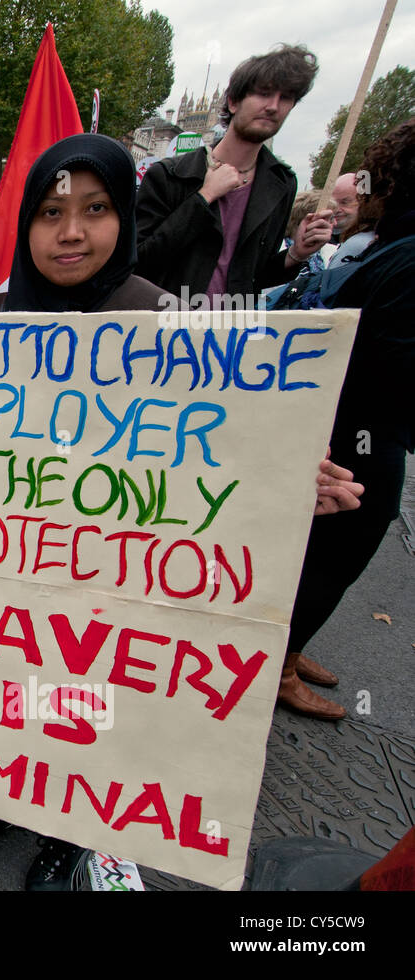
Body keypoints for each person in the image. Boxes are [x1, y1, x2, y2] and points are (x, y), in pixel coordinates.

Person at [0, 132, 363, 887]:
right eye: (51, 211)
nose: (71, 232)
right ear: (24, 224)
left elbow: (230, 448)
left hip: (115, 577)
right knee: (7, 680)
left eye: (95, 209)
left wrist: (287, 478)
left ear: (124, 217)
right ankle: (3, 795)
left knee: (91, 697)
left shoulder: (172, 327)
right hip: (10, 571)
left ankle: (74, 824)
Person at [283, 117, 415, 718]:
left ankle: (288, 646)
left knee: (323, 552)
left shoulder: (393, 244)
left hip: (350, 422)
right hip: (362, 429)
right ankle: (278, 665)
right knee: (335, 551)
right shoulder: (404, 253)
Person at [136, 45, 333, 302]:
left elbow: (254, 277)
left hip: (232, 337)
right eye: (263, 94)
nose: (273, 106)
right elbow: (140, 261)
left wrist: (297, 253)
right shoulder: (170, 175)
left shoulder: (281, 184)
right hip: (165, 331)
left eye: (285, 98)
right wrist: (203, 198)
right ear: (233, 101)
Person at [327, 172, 376, 267]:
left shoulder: (360, 244)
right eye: (333, 202)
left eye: (344, 202)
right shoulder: (323, 240)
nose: (336, 209)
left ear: (365, 203)